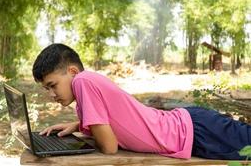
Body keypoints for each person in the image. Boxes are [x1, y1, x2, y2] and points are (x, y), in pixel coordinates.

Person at [32, 43, 251, 160]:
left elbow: (109, 147)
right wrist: (79, 125)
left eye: (53, 85)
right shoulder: (84, 88)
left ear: (72, 71)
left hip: (195, 131)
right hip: (191, 127)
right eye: (47, 88)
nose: (52, 94)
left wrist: (84, 130)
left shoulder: (83, 81)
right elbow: (116, 121)